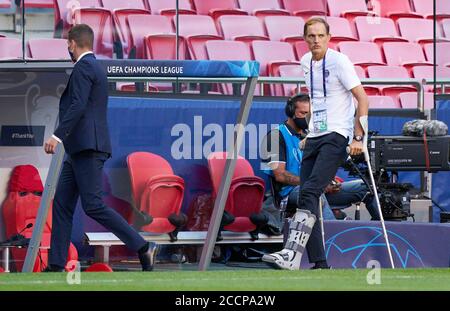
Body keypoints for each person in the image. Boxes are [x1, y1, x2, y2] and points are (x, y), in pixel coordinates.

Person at [43, 24, 157, 272]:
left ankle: (142, 246)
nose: (68, 49)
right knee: (62, 204)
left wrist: (57, 136)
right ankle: (55, 264)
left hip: (87, 148)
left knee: (93, 205)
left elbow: (78, 106)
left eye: (68, 45)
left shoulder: (84, 67)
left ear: (73, 43)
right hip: (79, 150)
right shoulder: (94, 66)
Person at [262, 17, 370, 270]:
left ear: (329, 37)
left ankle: (290, 254)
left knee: (309, 191)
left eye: (321, 35)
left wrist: (357, 137)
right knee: (307, 198)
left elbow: (362, 99)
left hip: (336, 136)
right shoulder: (305, 62)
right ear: (305, 38)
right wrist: (310, 133)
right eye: (311, 36)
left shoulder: (340, 61)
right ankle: (320, 263)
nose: (316, 40)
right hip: (316, 135)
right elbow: (319, 102)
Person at [261, 95, 379, 223]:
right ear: (291, 112)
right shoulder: (274, 136)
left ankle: (386, 235)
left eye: (309, 114)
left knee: (367, 187)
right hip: (289, 194)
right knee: (314, 193)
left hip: (317, 187)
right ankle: (333, 237)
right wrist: (318, 184)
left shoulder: (311, 136)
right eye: (303, 113)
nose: (307, 118)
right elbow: (280, 175)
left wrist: (328, 181)